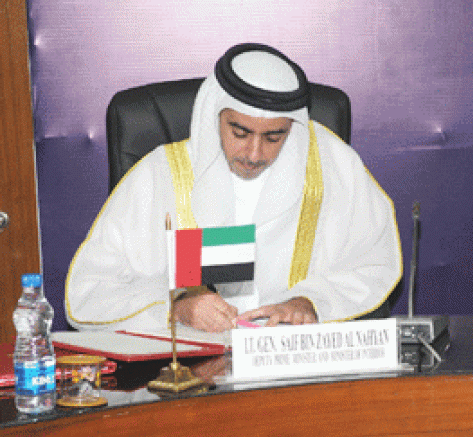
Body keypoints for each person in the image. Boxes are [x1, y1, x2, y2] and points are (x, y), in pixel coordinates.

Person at [66, 43, 402, 332]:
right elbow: (90, 292)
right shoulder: (161, 175)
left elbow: (374, 263)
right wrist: (177, 307)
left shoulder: (332, 167)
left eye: (274, 137)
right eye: (240, 132)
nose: (254, 154)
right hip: (190, 372)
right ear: (215, 115)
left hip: (293, 365)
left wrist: (311, 301)